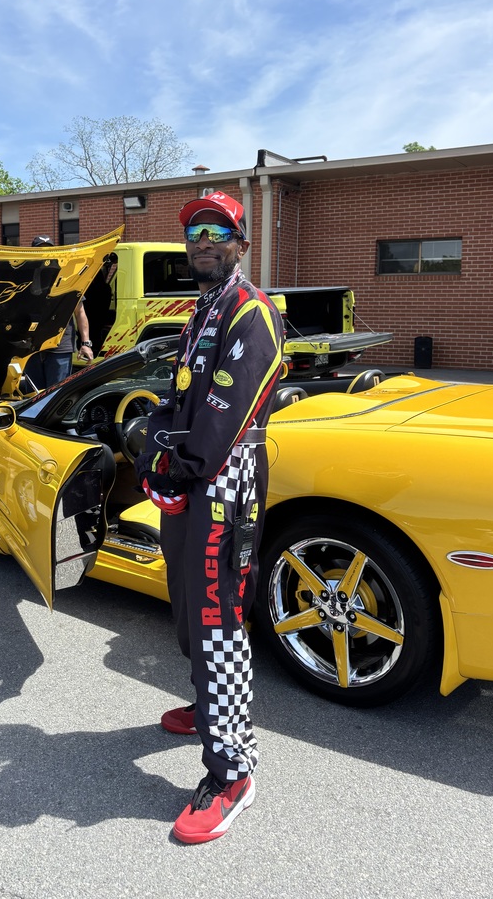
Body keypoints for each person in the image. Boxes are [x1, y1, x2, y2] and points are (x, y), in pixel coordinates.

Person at [135, 191, 284, 844]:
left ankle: (232, 775)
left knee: (219, 621)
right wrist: (150, 450)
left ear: (241, 242)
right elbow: (179, 402)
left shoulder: (253, 313)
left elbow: (223, 417)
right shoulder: (202, 311)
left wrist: (176, 467)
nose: (203, 239)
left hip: (225, 486)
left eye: (217, 229)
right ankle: (207, 707)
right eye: (195, 229)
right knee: (189, 610)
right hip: (190, 488)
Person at [26, 234, 93, 389]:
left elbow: (80, 312)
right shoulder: (25, 277)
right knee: (32, 397)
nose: (44, 254)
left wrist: (86, 343)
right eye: (39, 250)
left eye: (48, 250)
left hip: (60, 346)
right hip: (31, 346)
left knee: (56, 395)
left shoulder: (67, 277)